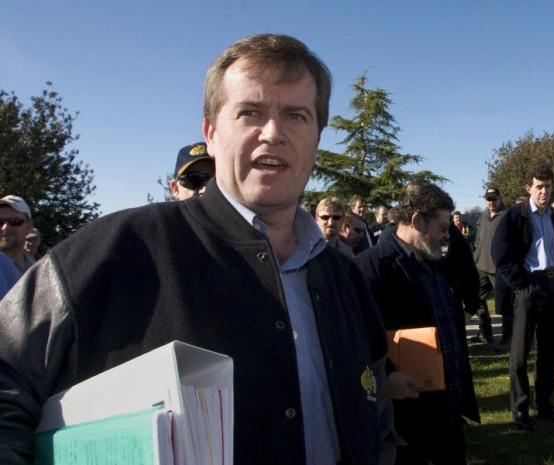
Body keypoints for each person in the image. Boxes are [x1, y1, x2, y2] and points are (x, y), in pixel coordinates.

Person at [0, 34, 394, 465]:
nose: (274, 133)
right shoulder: (114, 251)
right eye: (250, 112)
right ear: (210, 132)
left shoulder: (344, 277)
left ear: (317, 137)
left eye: (296, 116)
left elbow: (378, 417)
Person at [355, 179, 478, 464]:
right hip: (404, 423)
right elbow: (356, 340)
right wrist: (386, 377)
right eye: (443, 228)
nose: (449, 236)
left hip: (448, 412)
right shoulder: (370, 268)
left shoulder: (438, 264)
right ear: (417, 221)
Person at [492, 164, 554, 430]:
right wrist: (521, 285)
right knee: (520, 354)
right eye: (539, 187)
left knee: (550, 351)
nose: (544, 192)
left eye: (548, 186)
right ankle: (520, 409)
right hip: (529, 287)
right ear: (529, 188)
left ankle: (545, 405)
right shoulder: (515, 215)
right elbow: (500, 256)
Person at [473, 187, 512, 349]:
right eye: (488, 199)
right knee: (476, 300)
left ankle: (508, 338)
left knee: (505, 305)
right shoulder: (483, 215)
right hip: (481, 266)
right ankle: (486, 333)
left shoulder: (507, 215)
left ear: (500, 198)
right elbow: (478, 239)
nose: (491, 202)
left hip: (499, 269)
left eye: (494, 199)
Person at [0, 196, 36, 273]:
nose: (5, 227)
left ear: (29, 227)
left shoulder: (36, 268)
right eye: (0, 222)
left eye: (15, 221)